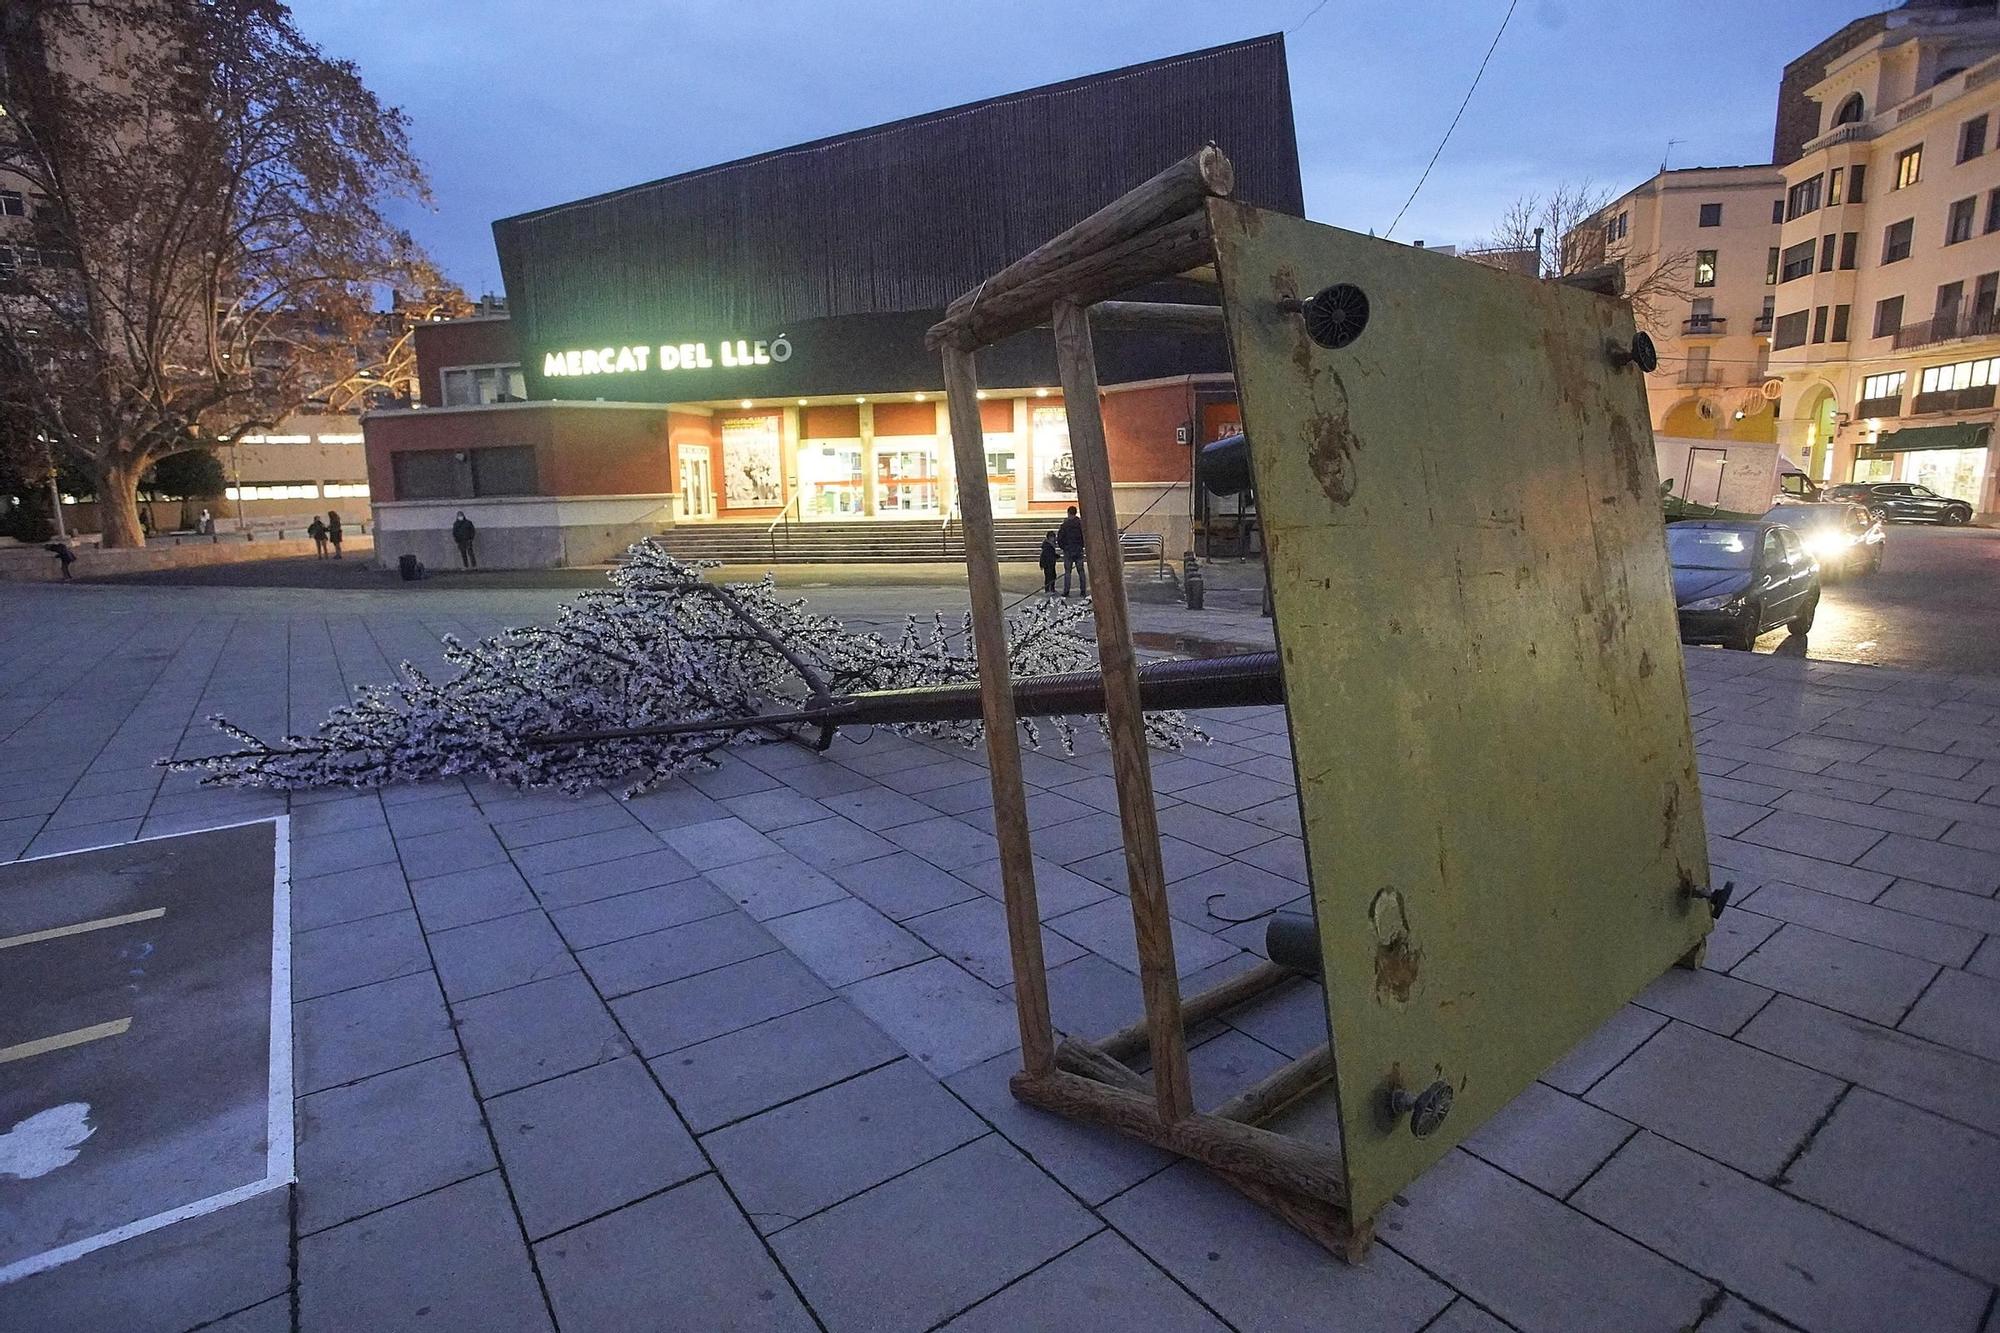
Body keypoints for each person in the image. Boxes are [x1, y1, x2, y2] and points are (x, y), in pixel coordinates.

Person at [1056, 504, 1087, 597]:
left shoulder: (1065, 525)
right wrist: (1082, 545)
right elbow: (1085, 536)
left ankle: (1066, 591)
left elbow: (1060, 538)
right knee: (1081, 571)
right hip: (1078, 550)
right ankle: (1083, 591)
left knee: (1067, 572)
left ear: (1068, 513)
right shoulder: (1081, 524)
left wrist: (1064, 547)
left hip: (1068, 551)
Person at [1038, 529, 1059, 596]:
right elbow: (1046, 555)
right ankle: (1048, 589)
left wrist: (1056, 556)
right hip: (1048, 563)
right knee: (1049, 576)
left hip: (1051, 563)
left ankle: (1051, 588)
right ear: (1050, 538)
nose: (1055, 539)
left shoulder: (1050, 545)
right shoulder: (1048, 546)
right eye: (1053, 537)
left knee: (1053, 575)